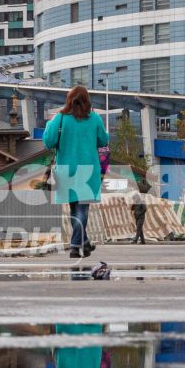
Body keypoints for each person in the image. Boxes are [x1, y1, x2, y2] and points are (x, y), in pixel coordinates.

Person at [42, 86, 110, 258]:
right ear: (87, 100)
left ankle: (84, 243)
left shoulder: (61, 118)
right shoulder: (94, 119)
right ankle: (75, 246)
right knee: (82, 209)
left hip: (66, 168)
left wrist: (50, 124)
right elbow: (103, 140)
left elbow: (48, 142)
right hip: (88, 169)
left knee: (74, 208)